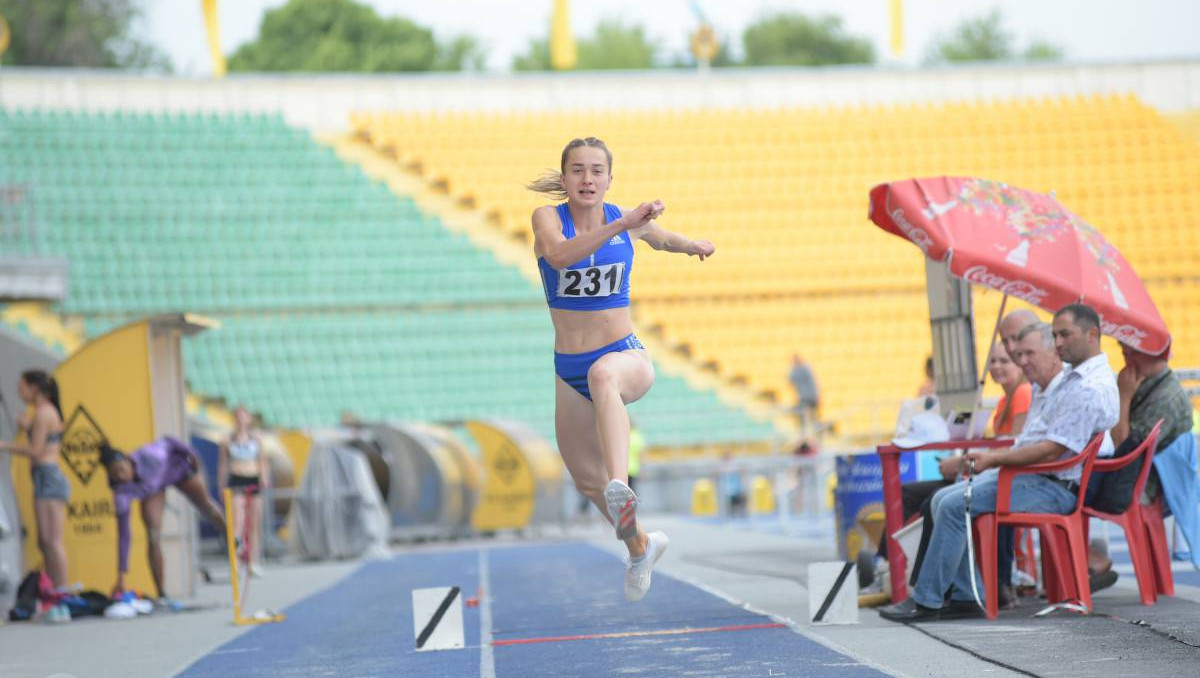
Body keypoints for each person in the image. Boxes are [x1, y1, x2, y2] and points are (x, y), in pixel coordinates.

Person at [528, 136, 714, 601]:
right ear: (566, 177)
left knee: (604, 376)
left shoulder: (626, 220)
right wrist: (625, 224)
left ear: (610, 179)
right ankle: (640, 548)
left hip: (625, 355)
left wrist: (692, 245)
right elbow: (559, 256)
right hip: (567, 365)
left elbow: (661, 238)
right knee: (583, 478)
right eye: (577, 170)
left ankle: (621, 484)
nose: (587, 178)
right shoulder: (549, 219)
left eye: (596, 170)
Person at [881, 304, 1118, 622]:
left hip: (1051, 485)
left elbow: (1051, 450)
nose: (1059, 343)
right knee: (942, 499)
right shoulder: (1068, 382)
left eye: (1063, 335)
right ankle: (964, 596)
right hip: (1041, 478)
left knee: (952, 504)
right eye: (1056, 335)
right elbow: (1045, 445)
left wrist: (992, 460)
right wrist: (994, 462)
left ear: (1091, 335)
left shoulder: (1086, 386)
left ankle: (928, 600)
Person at [1085, 339, 1194, 578]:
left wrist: (1123, 397)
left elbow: (1123, 446)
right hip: (1138, 474)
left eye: (1132, 354)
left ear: (1154, 354)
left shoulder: (1165, 397)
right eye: (1124, 353)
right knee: (1069, 480)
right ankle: (1086, 556)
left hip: (1145, 484)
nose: (1127, 361)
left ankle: (1090, 558)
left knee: (1069, 486)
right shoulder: (1150, 384)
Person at [101, 437, 227, 600]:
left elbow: (170, 441)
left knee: (206, 506)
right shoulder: (121, 491)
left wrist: (192, 455)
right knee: (153, 535)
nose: (121, 476)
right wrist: (121, 576)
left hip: (177, 471)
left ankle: (230, 536)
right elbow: (124, 535)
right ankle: (161, 593)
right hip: (154, 489)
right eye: (115, 475)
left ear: (127, 460)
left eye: (121, 469)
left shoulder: (150, 455)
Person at [0, 371, 70, 614]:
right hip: (44, 478)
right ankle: (54, 594)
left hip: (48, 477)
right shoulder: (43, 414)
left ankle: (61, 596)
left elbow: (37, 451)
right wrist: (27, 428)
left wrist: (5, 445)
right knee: (44, 541)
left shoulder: (43, 413)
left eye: (22, 388)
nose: (20, 393)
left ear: (35, 388)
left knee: (52, 541)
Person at [218, 407, 270, 576]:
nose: (241, 419)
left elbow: (263, 461)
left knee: (254, 524)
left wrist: (264, 477)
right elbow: (223, 464)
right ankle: (236, 562)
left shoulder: (257, 439)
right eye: (237, 416)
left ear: (249, 418)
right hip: (236, 480)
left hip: (253, 479)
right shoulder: (227, 440)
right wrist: (222, 485)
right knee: (237, 523)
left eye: (243, 416)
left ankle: (253, 562)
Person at [789, 355, 820, 435]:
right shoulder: (807, 369)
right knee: (811, 418)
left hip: (806, 397)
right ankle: (813, 432)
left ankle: (805, 434)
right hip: (811, 396)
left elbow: (791, 379)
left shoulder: (800, 370)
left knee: (804, 417)